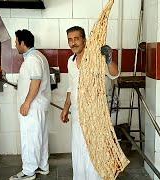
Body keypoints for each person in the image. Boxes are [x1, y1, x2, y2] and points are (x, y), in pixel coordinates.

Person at [60, 26, 119, 180]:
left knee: (94, 152)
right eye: (70, 40)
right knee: (79, 150)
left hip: (95, 116)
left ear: (84, 40)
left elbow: (114, 74)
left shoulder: (96, 58)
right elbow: (71, 87)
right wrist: (66, 108)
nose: (73, 43)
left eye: (76, 39)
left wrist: (109, 59)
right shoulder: (70, 61)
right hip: (78, 116)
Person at [10, 29, 51, 180]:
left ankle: (28, 172)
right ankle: (42, 166)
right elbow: (33, 80)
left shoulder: (32, 59)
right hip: (39, 104)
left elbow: (36, 81)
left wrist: (26, 103)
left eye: (16, 42)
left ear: (22, 43)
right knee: (39, 137)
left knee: (30, 138)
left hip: (33, 106)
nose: (15, 45)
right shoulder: (39, 56)